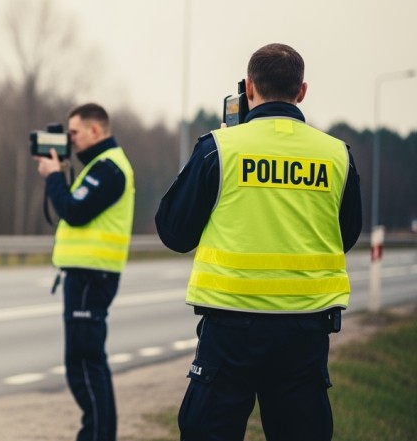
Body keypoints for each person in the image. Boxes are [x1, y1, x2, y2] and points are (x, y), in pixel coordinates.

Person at [156, 43, 362, 441]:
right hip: (305, 331)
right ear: (302, 91)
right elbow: (346, 236)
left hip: (230, 329)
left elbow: (174, 233)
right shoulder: (338, 155)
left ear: (249, 88)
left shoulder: (218, 149)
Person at [36, 102, 135, 441]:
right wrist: (60, 174)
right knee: (85, 363)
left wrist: (53, 176)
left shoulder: (108, 168)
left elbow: (74, 210)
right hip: (87, 276)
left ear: (95, 130)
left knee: (85, 365)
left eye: (74, 132)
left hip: (92, 277)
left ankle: (96, 435)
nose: (70, 139)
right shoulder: (99, 165)